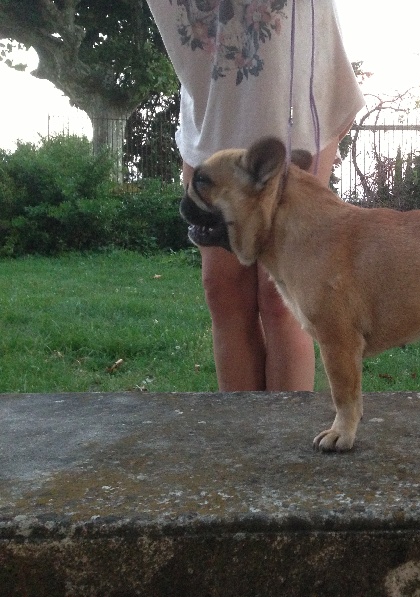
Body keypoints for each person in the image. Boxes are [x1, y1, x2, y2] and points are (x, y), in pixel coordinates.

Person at [148, 0, 365, 391]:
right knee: (223, 288)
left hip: (292, 96)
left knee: (281, 298)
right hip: (214, 102)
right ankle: (242, 425)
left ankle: (283, 427)